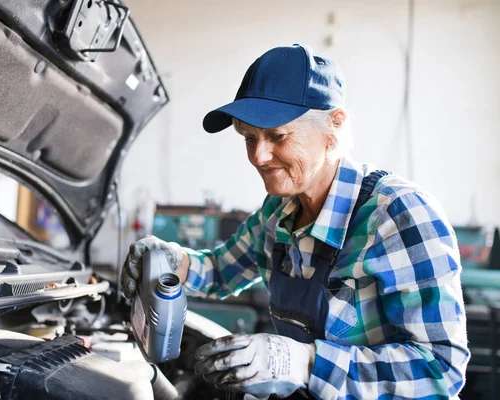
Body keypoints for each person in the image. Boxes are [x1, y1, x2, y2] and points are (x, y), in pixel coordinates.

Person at [120, 44, 470, 399]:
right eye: (249, 138)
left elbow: (440, 369)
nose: (259, 156)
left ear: (334, 127)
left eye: (277, 136)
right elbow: (219, 272)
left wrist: (303, 362)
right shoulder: (278, 209)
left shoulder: (398, 214)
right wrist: (168, 260)